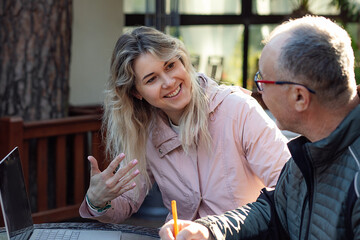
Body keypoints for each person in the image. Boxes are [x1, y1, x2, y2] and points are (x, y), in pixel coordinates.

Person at [159, 16, 360, 239]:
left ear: (299, 97)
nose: (258, 91)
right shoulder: (309, 153)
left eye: (263, 81)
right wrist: (208, 230)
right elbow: (273, 211)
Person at [79, 26, 291, 223]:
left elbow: (289, 187)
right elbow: (125, 203)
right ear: (136, 92)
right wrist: (97, 201)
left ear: (182, 61)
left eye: (170, 65)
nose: (169, 82)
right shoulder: (145, 132)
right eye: (152, 79)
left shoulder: (239, 110)